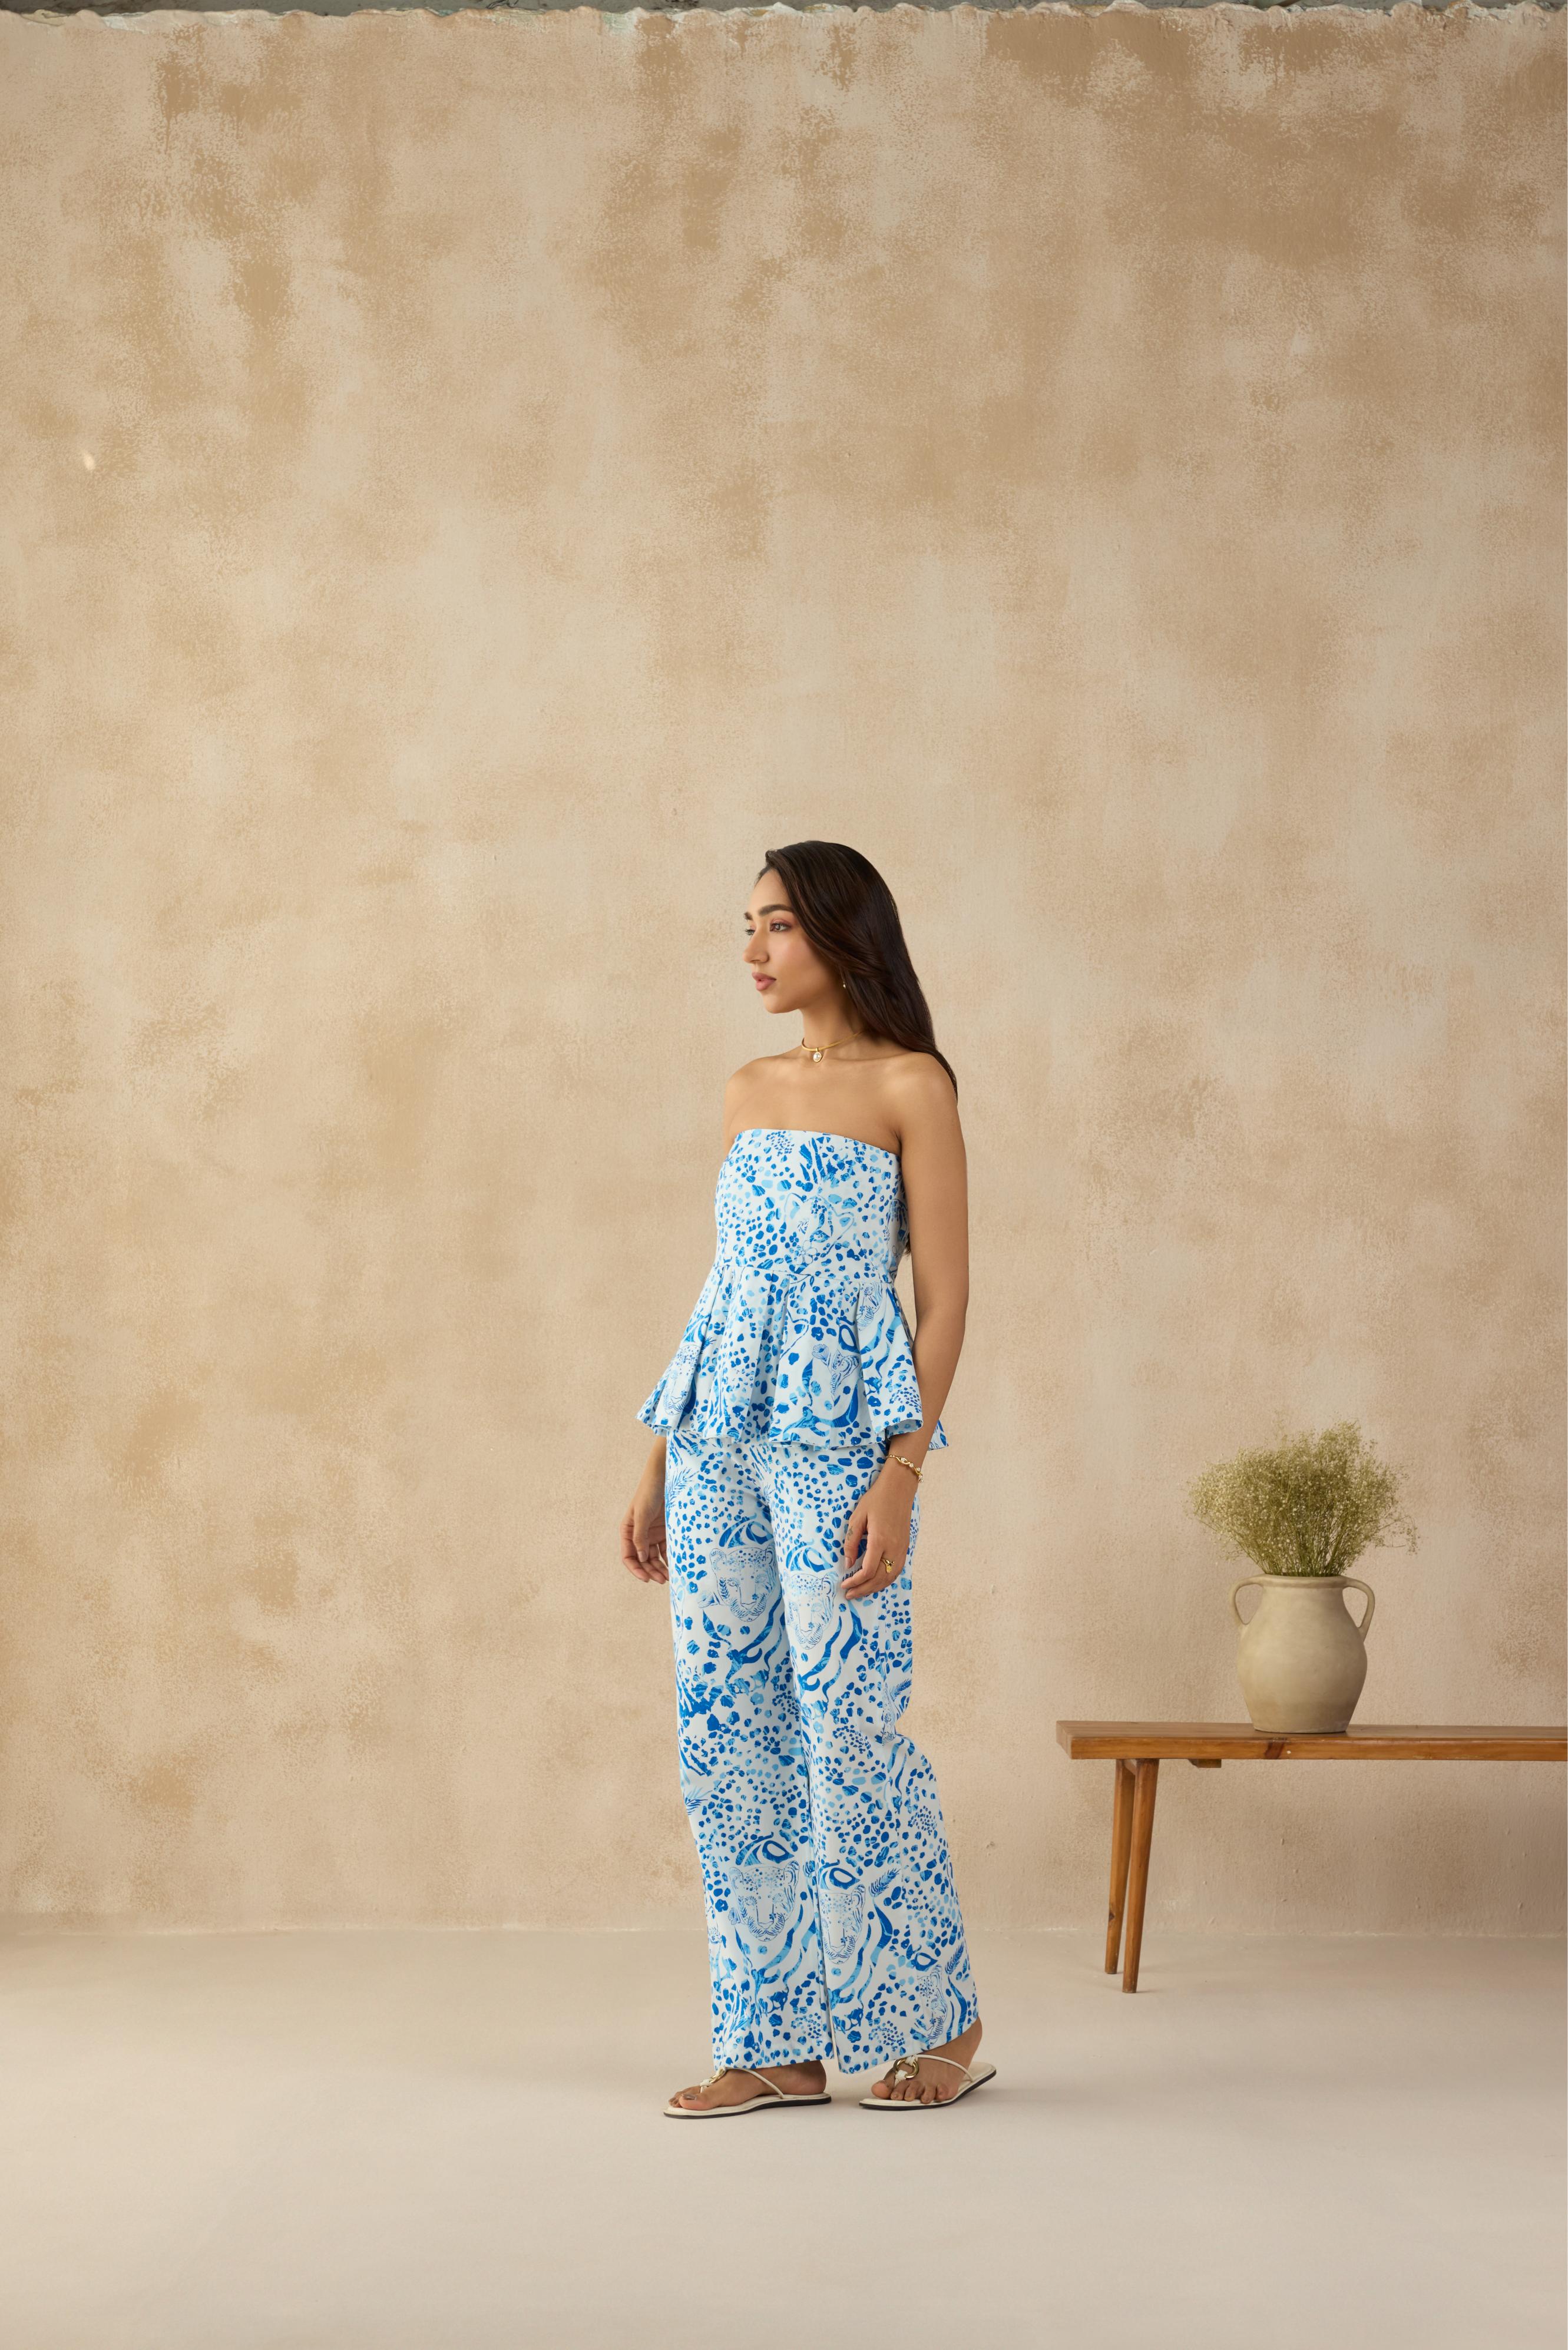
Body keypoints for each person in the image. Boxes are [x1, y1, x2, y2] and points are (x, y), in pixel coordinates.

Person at [620, 839, 993, 2117]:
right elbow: (725, 1288)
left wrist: (901, 1473)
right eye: (747, 926)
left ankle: (939, 2018)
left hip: (841, 1442)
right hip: (716, 1436)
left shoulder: (912, 1086)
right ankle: (770, 2040)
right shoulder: (745, 1089)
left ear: (842, 930)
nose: (753, 950)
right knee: (727, 1736)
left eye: (775, 924)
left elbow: (943, 1301)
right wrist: (658, 1456)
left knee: (846, 1723)